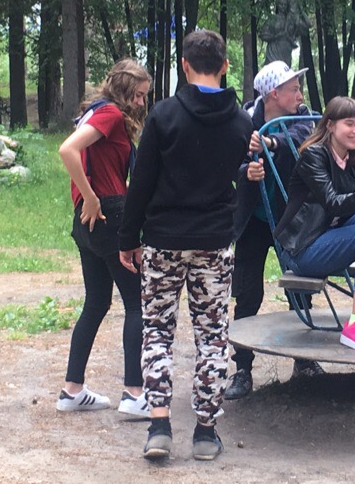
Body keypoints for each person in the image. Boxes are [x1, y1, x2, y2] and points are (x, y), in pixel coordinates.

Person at [118, 30, 253, 462]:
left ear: (184, 65)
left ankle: (159, 426)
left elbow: (141, 182)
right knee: (212, 336)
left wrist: (128, 238)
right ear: (225, 66)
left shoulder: (163, 115)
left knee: (157, 331)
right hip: (214, 241)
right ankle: (206, 433)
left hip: (163, 240)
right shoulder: (241, 122)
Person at [55, 59, 151, 415]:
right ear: (124, 91)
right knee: (137, 303)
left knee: (96, 302)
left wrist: (87, 199)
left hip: (88, 222)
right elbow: (67, 150)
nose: (141, 103)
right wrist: (92, 197)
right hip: (109, 214)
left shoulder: (95, 111)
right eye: (138, 95)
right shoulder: (109, 113)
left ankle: (72, 391)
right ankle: (135, 394)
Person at [227, 61, 322, 401]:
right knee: (247, 294)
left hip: (290, 218)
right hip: (252, 220)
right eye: (293, 89)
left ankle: (305, 361)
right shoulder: (242, 120)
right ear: (273, 94)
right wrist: (246, 172)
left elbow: (301, 142)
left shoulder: (303, 118)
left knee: (300, 288)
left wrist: (270, 142)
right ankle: (242, 369)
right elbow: (228, 163)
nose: (300, 94)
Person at [274, 96, 355, 353]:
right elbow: (332, 203)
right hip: (304, 248)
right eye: (349, 124)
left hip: (329, 235)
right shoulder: (314, 156)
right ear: (330, 125)